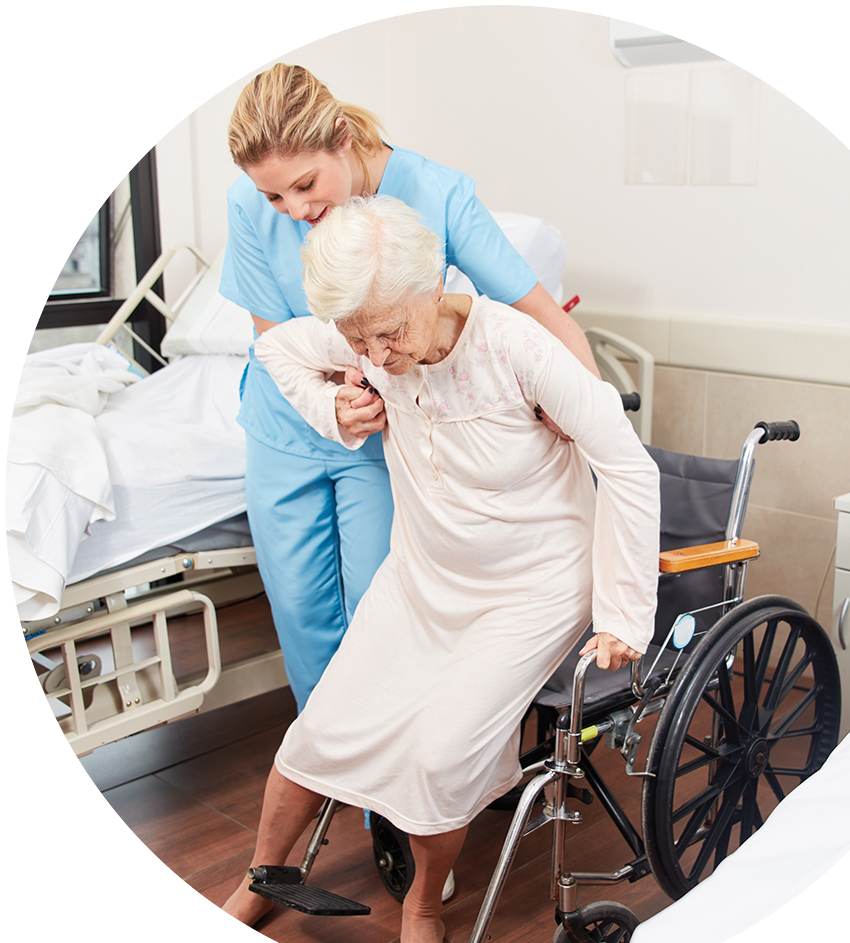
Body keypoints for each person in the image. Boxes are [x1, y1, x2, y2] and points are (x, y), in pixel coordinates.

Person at [188, 196, 660, 943]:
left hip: (531, 587)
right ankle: (255, 882)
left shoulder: (517, 348)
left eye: (389, 332)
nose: (376, 352)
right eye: (356, 336)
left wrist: (621, 613)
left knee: (439, 758)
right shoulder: (365, 337)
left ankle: (423, 908)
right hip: (424, 574)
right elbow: (278, 353)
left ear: (434, 286)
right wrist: (332, 404)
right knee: (321, 730)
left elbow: (627, 465)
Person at [223, 63, 600, 710]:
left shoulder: (435, 193)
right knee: (303, 619)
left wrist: (591, 410)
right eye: (275, 198)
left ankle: (390, 803)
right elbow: (273, 338)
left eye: (306, 185)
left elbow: (539, 312)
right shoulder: (247, 206)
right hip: (284, 428)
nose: (295, 211)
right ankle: (335, 772)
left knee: (385, 615)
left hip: (383, 436)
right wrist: (324, 402)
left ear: (342, 136)